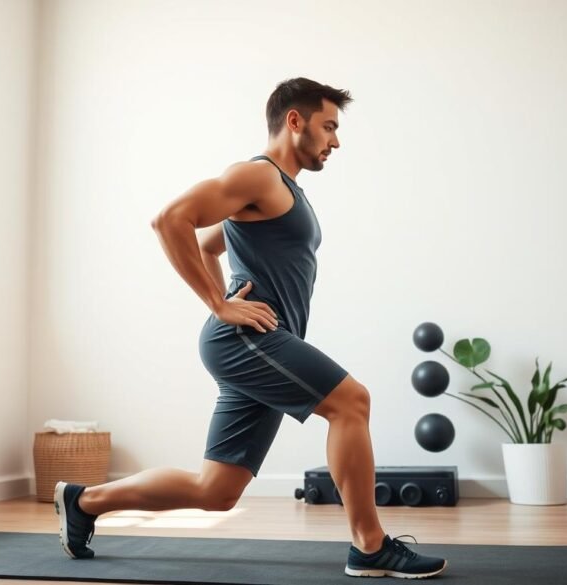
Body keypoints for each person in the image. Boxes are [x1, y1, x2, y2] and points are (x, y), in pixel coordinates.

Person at [55, 77, 447, 579]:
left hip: (260, 345)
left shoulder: (282, 192)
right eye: (329, 126)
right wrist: (220, 305)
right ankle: (370, 546)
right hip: (246, 340)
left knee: (216, 492)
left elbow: (208, 244)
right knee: (352, 402)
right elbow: (172, 219)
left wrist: (223, 296)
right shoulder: (258, 176)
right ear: (294, 121)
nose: (336, 140)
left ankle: (84, 502)